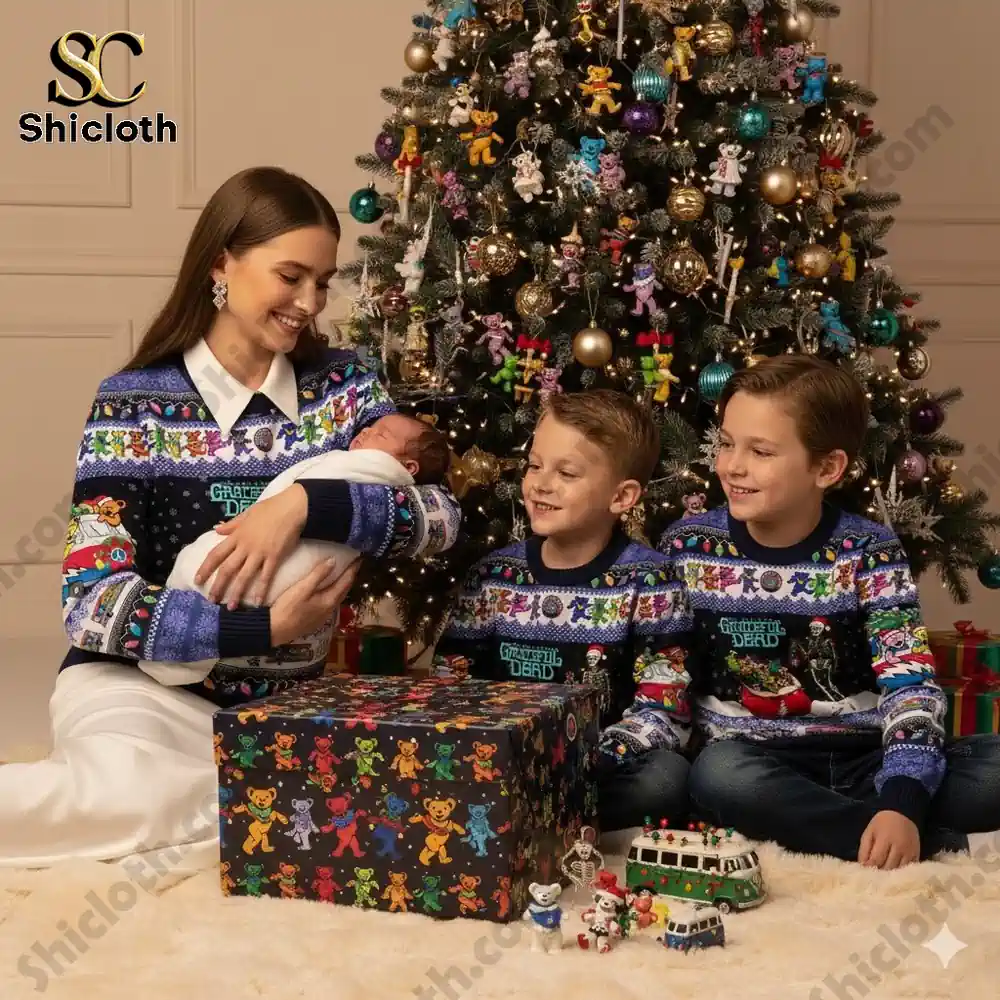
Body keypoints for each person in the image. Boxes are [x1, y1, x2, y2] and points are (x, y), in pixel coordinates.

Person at [0, 166, 461, 869]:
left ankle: (236, 793)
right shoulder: (134, 403)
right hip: (141, 691)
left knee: (393, 805)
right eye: (291, 276)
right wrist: (265, 628)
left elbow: (437, 517)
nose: (309, 302)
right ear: (222, 262)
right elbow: (91, 604)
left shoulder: (343, 384)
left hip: (282, 710)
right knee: (136, 800)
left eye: (323, 282)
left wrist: (304, 504)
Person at [659, 354, 1000, 868]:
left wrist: (902, 795)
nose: (732, 465)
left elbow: (908, 683)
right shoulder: (687, 547)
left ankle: (860, 822)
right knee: (718, 776)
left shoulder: (869, 550)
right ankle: (928, 845)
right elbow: (666, 678)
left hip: (866, 757)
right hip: (750, 761)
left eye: (761, 451)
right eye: (727, 443)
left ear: (826, 467)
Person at [434, 389, 694, 833]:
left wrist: (584, 759)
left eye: (566, 473)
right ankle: (520, 812)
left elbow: (664, 708)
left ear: (621, 497)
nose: (539, 483)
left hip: (595, 765)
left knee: (665, 779)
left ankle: (531, 818)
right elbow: (450, 680)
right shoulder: (495, 575)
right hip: (499, 758)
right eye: (535, 465)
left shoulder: (651, 580)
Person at [139, 412, 450, 686]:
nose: (365, 432)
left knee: (207, 569)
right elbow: (93, 590)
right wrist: (268, 628)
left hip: (297, 690)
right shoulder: (139, 407)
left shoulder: (355, 399)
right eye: (369, 430)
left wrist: (305, 504)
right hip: (171, 690)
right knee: (201, 562)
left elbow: (444, 515)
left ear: (407, 465)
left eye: (379, 434)